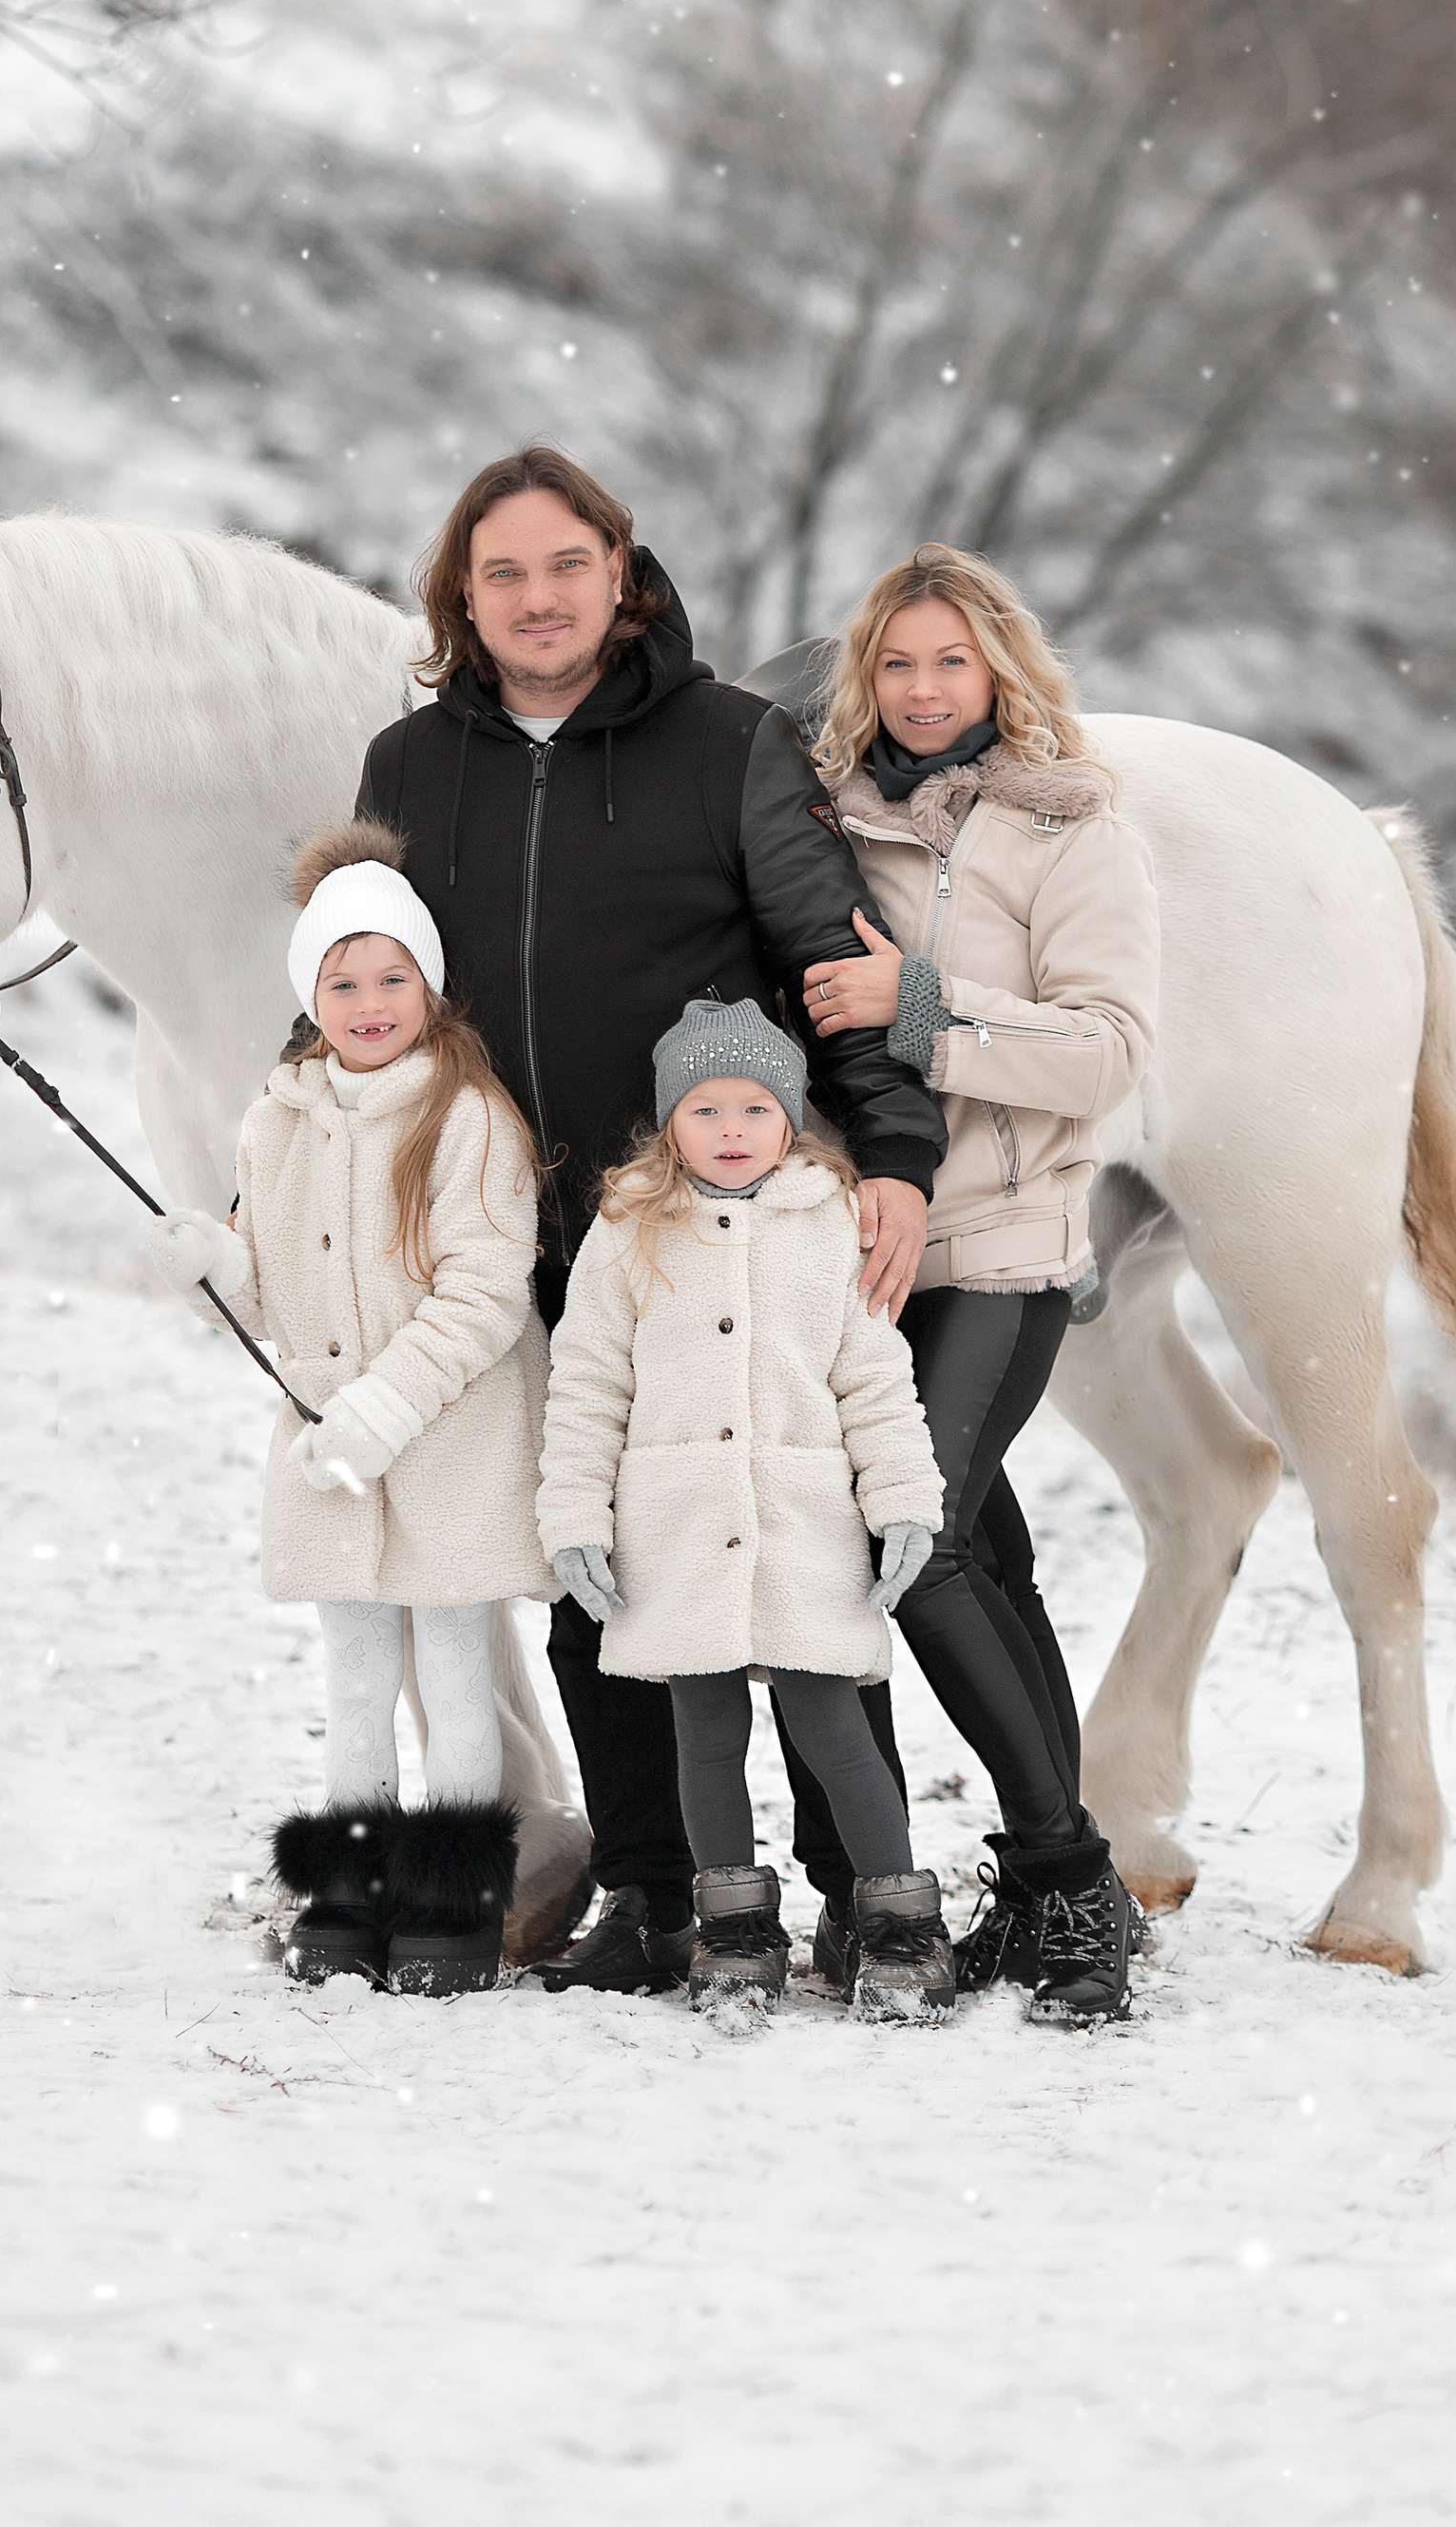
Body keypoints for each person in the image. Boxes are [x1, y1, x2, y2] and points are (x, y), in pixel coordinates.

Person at [354, 446, 947, 1995]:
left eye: (567, 565)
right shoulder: (409, 769)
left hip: (716, 1226)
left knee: (800, 1550)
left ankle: (858, 1887)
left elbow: (834, 957)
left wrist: (891, 1148)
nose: (538, 598)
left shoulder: (732, 746)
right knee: (597, 1558)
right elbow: (370, 997)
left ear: (621, 576)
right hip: (517, 1232)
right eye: (504, 573)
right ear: (462, 598)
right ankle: (658, 1894)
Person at [803, 544, 1160, 2025]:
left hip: (1006, 1252)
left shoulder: (1071, 832)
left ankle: (1071, 1880)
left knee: (920, 1545)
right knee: (981, 1568)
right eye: (898, 663)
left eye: (953, 661)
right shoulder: (835, 826)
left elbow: (1104, 1053)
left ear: (1003, 669)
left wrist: (925, 1010)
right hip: (870, 1259)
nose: (927, 690)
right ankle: (969, 1897)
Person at [152, 824, 551, 1995]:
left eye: (392, 980)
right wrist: (214, 1270)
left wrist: (384, 1409)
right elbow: (271, 1292)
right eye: (342, 980)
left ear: (426, 986)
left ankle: (457, 1897)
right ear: (309, 991)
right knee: (356, 1673)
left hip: (448, 1437)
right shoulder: (274, 1118)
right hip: (334, 1446)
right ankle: (352, 1884)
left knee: (452, 1661)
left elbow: (485, 1294)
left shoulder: (469, 1114)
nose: (369, 1004)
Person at [537, 998, 953, 2023]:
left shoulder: (829, 1225)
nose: (731, 1131)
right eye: (706, 1110)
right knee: (704, 1730)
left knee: (833, 1722)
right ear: (669, 1123)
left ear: (791, 1119)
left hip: (802, 1525)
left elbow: (874, 1381)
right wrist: (575, 1516)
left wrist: (903, 1502)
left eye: (755, 1109)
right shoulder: (629, 1226)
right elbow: (586, 1382)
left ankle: (896, 1921)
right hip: (677, 1529)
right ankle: (732, 1928)